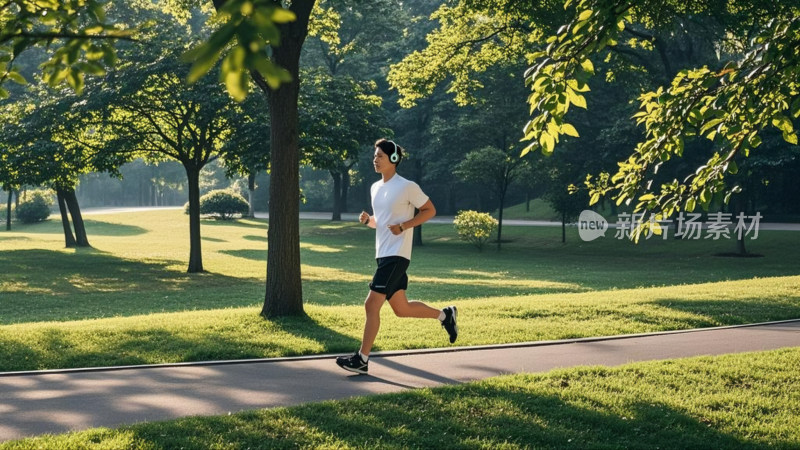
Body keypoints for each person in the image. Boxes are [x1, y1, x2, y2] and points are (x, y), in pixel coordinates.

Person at [336, 138, 458, 375]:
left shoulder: (407, 186)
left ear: (393, 159)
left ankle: (362, 359)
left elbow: (430, 210)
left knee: (371, 305)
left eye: (380, 156)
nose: (375, 159)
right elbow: (382, 223)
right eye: (375, 156)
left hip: (397, 255)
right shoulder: (375, 187)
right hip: (383, 254)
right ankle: (446, 316)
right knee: (401, 309)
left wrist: (404, 226)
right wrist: (369, 221)